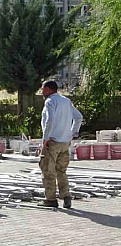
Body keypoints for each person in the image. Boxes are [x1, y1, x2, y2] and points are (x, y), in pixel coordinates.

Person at [39, 80, 83, 210]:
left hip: (53, 141)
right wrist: (73, 133)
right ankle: (66, 195)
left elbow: (49, 120)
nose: (42, 92)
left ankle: (51, 199)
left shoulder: (50, 101)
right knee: (61, 170)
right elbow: (78, 117)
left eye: (42, 89)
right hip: (65, 142)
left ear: (48, 89)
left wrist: (45, 139)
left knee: (48, 170)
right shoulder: (66, 101)